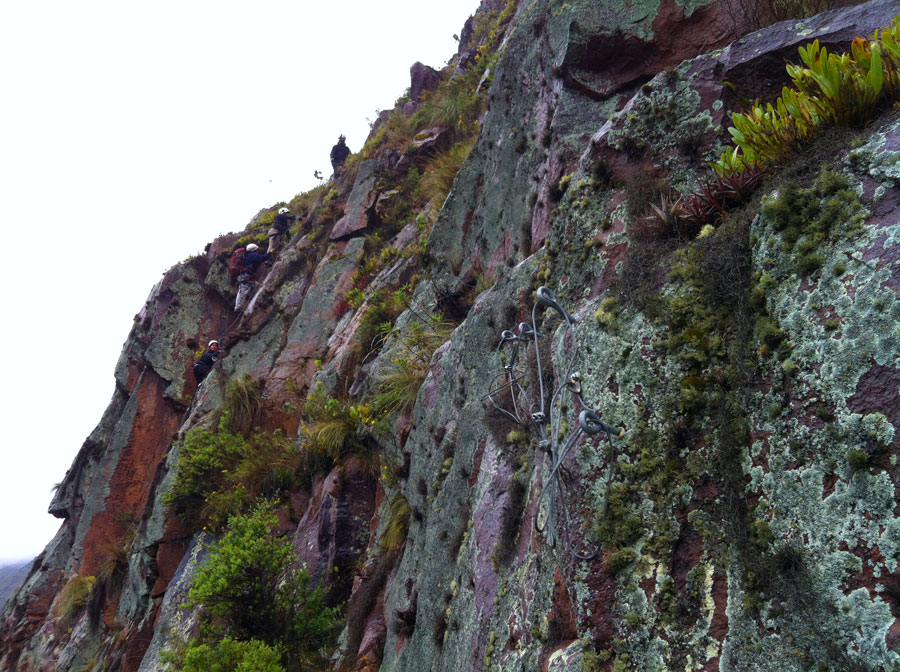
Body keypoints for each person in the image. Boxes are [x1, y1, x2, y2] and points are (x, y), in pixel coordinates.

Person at [234, 243, 271, 311]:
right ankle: (238, 308)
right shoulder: (252, 255)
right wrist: (269, 254)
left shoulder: (247, 255)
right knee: (243, 290)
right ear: (254, 250)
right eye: (257, 249)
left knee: (250, 288)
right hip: (246, 275)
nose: (258, 251)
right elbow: (261, 258)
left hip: (245, 275)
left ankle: (250, 303)